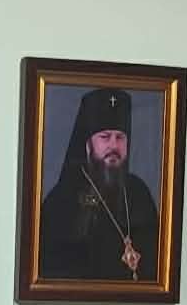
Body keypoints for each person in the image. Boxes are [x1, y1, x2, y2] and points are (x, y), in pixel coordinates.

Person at [38, 86, 160, 281]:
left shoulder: (139, 192)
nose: (114, 145)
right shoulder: (61, 200)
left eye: (120, 137)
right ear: (88, 145)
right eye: (105, 137)